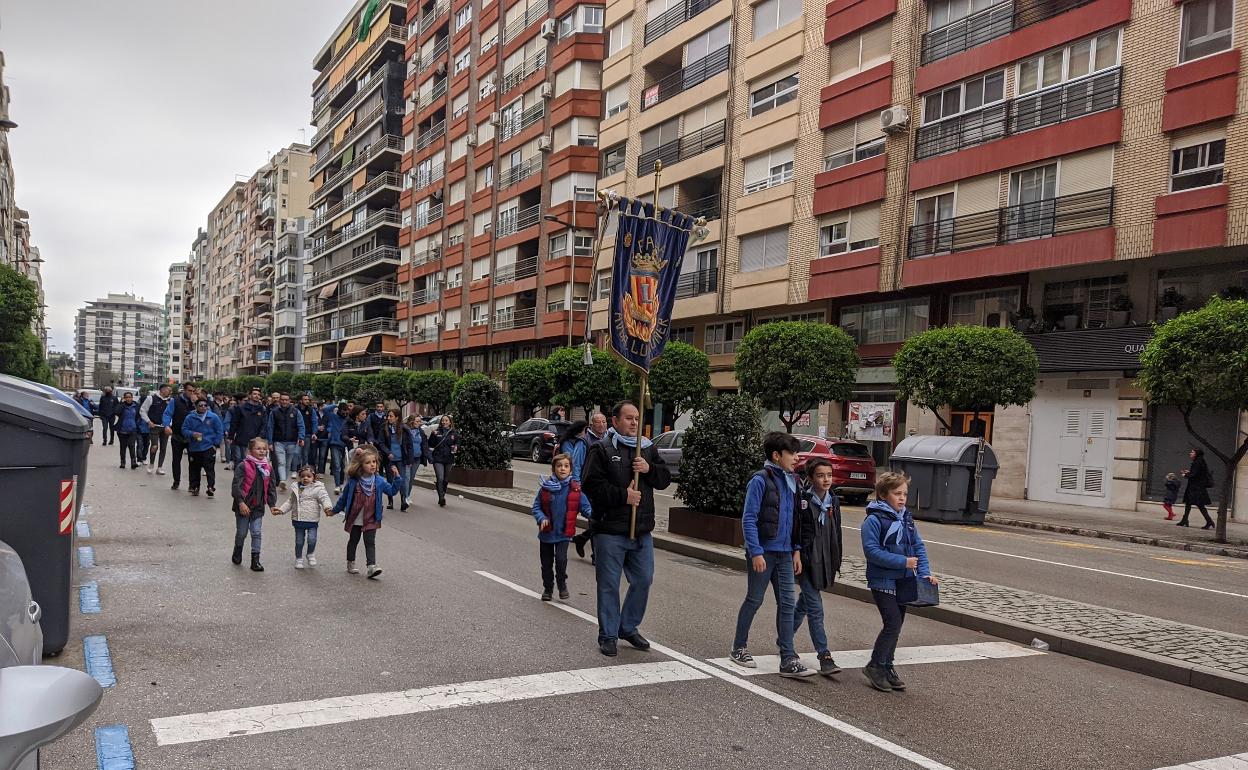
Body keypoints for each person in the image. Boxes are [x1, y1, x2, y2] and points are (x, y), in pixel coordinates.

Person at [581, 400, 671, 658]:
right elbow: (591, 485)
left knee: (644, 579)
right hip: (610, 528)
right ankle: (608, 635)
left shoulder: (648, 448)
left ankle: (627, 626)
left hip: (641, 529)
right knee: (609, 584)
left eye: (637, 418)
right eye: (629, 418)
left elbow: (664, 480)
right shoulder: (602, 448)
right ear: (615, 421)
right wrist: (623, 496)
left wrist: (649, 468)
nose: (634, 422)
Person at [729, 432, 815, 679]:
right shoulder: (760, 480)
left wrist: (797, 550)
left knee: (787, 603)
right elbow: (749, 518)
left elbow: (797, 519)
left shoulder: (794, 481)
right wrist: (755, 551)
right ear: (777, 455)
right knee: (754, 599)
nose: (797, 458)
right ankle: (738, 646)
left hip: (786, 554)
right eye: (792, 453)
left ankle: (788, 657)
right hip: (764, 552)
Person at [861, 471, 938, 693]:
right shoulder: (874, 520)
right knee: (892, 623)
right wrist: (902, 562)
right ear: (883, 495)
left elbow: (918, 547)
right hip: (883, 580)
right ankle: (875, 665)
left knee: (897, 626)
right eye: (897, 493)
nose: (902, 498)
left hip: (904, 581)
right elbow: (872, 552)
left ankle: (887, 665)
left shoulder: (906, 518)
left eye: (905, 493)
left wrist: (924, 573)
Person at [792, 458, 844, 677]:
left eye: (829, 475)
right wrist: (796, 553)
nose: (826, 480)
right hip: (806, 559)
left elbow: (836, 531)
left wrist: (836, 559)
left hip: (824, 560)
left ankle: (784, 638)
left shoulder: (833, 500)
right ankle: (824, 656)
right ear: (811, 478)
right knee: (815, 608)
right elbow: (796, 529)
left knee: (805, 602)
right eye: (821, 475)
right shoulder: (803, 500)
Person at [328, 446, 399, 579]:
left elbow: (392, 491)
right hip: (356, 518)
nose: (372, 465)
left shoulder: (379, 481)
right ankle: (350, 562)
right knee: (353, 540)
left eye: (374, 462)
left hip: (372, 518)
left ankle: (371, 566)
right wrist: (334, 511)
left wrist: (397, 478)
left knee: (370, 542)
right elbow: (344, 499)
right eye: (368, 462)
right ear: (360, 465)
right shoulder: (354, 482)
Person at [532, 453, 591, 601]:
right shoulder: (545, 488)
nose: (562, 469)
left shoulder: (575, 491)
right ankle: (548, 588)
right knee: (546, 564)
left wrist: (594, 516)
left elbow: (586, 508)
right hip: (546, 533)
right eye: (559, 466)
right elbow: (536, 507)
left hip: (564, 533)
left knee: (561, 560)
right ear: (553, 469)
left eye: (566, 466)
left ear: (570, 470)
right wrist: (542, 518)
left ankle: (562, 583)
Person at [273, 465, 333, 569]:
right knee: (299, 541)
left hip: (312, 520)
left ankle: (310, 554)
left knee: (312, 539)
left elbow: (324, 498)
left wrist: (327, 508)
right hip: (299, 520)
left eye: (309, 476)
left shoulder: (318, 489)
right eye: (303, 476)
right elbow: (290, 502)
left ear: (314, 477)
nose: (305, 478)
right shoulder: (296, 488)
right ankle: (299, 559)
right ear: (299, 477)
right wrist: (281, 510)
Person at [232, 437, 276, 572]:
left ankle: (255, 560)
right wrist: (240, 502)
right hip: (244, 506)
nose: (262, 451)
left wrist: (272, 504)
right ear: (250, 451)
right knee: (242, 533)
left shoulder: (267, 467)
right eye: (258, 448)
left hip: (258, 507)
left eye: (264, 449)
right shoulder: (243, 466)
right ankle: (237, 550)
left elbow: (271, 487)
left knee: (256, 532)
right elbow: (236, 486)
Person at [181, 398, 224, 498]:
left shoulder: (213, 417)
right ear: (196, 407)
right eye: (200, 405)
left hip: (208, 447)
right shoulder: (190, 417)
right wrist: (192, 434)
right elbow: (184, 429)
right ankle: (194, 486)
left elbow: (219, 431)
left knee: (209, 468)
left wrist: (215, 444)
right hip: (194, 447)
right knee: (194, 468)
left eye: (205, 405)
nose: (203, 407)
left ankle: (210, 487)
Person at [162, 384, 199, 491]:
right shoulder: (175, 400)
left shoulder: (198, 402)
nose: (191, 393)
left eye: (193, 391)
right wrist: (166, 425)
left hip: (192, 436)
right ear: (184, 390)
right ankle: (176, 481)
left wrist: (195, 403)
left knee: (194, 461)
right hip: (177, 434)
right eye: (189, 390)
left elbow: (205, 413)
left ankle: (193, 484)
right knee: (176, 460)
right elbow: (167, 413)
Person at [266, 393, 305, 491]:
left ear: (289, 400)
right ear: (280, 400)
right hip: (278, 442)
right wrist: (270, 442)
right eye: (282, 399)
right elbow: (270, 427)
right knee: (281, 462)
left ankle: (284, 481)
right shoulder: (274, 412)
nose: (284, 401)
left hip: (292, 442)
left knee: (288, 463)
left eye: (286, 400)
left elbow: (301, 425)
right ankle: (282, 480)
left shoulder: (296, 412)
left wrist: (301, 438)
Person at [227, 389, 269, 474]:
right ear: (249, 395)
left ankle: (251, 481)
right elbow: (234, 423)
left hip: (256, 439)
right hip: (242, 438)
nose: (256, 396)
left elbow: (264, 424)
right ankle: (239, 480)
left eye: (258, 394)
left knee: (254, 462)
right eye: (254, 394)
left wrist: (261, 436)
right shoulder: (241, 408)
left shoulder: (262, 409)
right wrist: (230, 436)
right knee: (241, 461)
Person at [372, 409, 406, 510]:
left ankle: (403, 501)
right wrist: (388, 452)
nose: (388, 418)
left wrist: (409, 458)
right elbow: (381, 442)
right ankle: (390, 501)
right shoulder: (384, 427)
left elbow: (408, 444)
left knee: (401, 479)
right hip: (389, 458)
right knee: (390, 479)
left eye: (391, 416)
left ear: (397, 417)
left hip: (400, 458)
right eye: (388, 416)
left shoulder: (403, 428)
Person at [1179, 448, 1216, 529]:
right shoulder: (1199, 461)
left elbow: (1195, 475)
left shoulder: (1198, 462)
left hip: (1196, 488)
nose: (1190, 453)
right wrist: (1189, 472)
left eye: (1192, 452)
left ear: (1196, 454)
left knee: (1200, 505)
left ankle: (1209, 521)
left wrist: (1185, 475)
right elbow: (1197, 473)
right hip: (1195, 487)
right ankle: (1184, 520)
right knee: (1189, 503)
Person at [140, 385, 172, 476]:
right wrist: (148, 421)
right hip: (154, 426)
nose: (169, 392)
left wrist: (170, 424)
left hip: (165, 427)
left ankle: (160, 467)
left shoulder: (170, 401)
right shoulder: (151, 398)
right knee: (154, 446)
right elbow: (142, 410)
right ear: (162, 390)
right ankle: (151, 464)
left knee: (163, 447)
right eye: (168, 389)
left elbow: (171, 413)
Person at [428, 415, 458, 507]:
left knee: (445, 479)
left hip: (449, 458)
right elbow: (431, 444)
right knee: (440, 477)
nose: (444, 422)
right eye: (443, 420)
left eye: (446, 420)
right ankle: (441, 497)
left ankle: (442, 493)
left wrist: (456, 447)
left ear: (450, 422)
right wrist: (433, 435)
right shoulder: (437, 431)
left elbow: (458, 443)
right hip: (438, 458)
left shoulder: (454, 433)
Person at [401, 414, 431, 509]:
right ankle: (404, 497)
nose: (419, 423)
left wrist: (427, 456)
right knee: (406, 478)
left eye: (420, 421)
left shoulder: (420, 432)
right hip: (408, 458)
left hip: (417, 458)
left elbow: (425, 445)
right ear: (412, 421)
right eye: (417, 421)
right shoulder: (405, 431)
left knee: (411, 478)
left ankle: (408, 495)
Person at [322, 401, 350, 493]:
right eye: (343, 410)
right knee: (337, 465)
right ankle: (337, 485)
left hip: (345, 444)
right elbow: (325, 409)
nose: (344, 413)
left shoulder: (348, 419)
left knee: (343, 466)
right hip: (335, 443)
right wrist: (336, 404)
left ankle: (341, 483)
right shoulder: (333, 417)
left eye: (346, 411)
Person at [114, 392, 142, 469]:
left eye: (130, 397)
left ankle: (133, 462)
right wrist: (121, 403)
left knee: (132, 445)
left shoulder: (136, 406)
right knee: (123, 447)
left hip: (133, 429)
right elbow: (116, 412)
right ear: (124, 398)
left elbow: (139, 416)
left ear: (132, 398)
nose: (129, 399)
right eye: (127, 397)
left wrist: (137, 424)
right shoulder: (122, 406)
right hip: (122, 430)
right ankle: (123, 462)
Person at [297, 394, 319, 469]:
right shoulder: (295, 409)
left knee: (305, 453)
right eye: (305, 399)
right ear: (301, 400)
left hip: (307, 434)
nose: (307, 401)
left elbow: (314, 422)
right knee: (297, 453)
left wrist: (314, 433)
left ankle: (303, 468)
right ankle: (295, 468)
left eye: (308, 399)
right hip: (296, 434)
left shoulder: (311, 410)